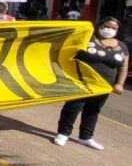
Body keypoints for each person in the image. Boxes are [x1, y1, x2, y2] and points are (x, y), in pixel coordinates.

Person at [53, 17, 128, 150]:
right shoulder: (88, 38)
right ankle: (63, 133)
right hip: (82, 81)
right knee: (73, 107)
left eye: (114, 28)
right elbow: (69, 51)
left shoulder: (122, 46)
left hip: (104, 85)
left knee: (93, 110)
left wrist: (119, 83)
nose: (109, 30)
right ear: (99, 25)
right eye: (107, 26)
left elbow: (123, 67)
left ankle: (86, 137)